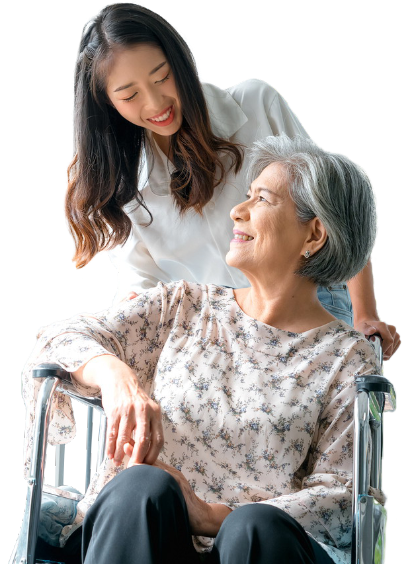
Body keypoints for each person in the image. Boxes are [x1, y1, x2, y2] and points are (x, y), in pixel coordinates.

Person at [24, 134, 386, 564]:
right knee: (142, 486)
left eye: (262, 199)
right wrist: (116, 378)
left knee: (253, 527)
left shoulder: (347, 359)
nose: (238, 210)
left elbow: (343, 497)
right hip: (145, 536)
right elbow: (55, 340)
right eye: (246, 196)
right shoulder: (183, 306)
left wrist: (216, 516)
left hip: (256, 549)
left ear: (315, 233)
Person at [64, 2, 400, 361]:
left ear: (180, 61)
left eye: (162, 76)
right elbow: (141, 283)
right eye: (129, 95)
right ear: (107, 103)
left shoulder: (256, 105)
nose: (156, 102)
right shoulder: (122, 184)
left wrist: (365, 314)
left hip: (308, 302)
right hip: (216, 338)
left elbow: (337, 207)